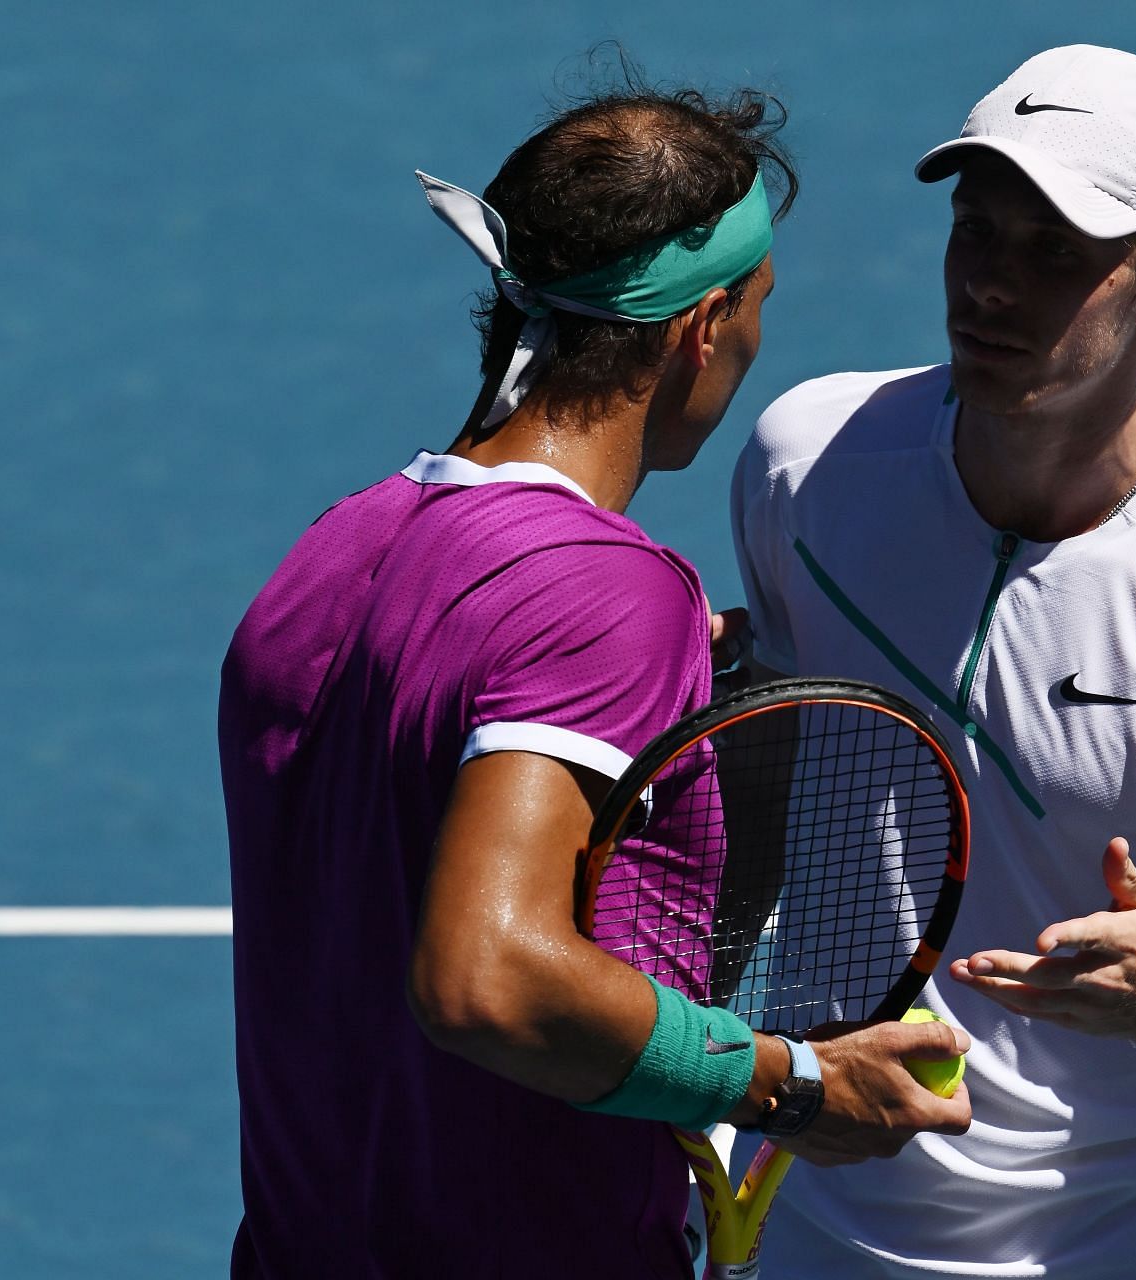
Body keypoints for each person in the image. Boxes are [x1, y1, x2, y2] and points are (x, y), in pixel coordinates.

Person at [219, 82, 970, 1279]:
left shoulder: (330, 556)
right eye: (761, 307)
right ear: (700, 325)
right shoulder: (606, 595)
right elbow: (486, 973)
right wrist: (796, 1082)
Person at [729, 45, 1136, 1278]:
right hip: (815, 1212)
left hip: (1133, 1242)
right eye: (975, 232)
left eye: (1056, 255)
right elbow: (768, 782)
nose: (991, 285)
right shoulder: (806, 465)